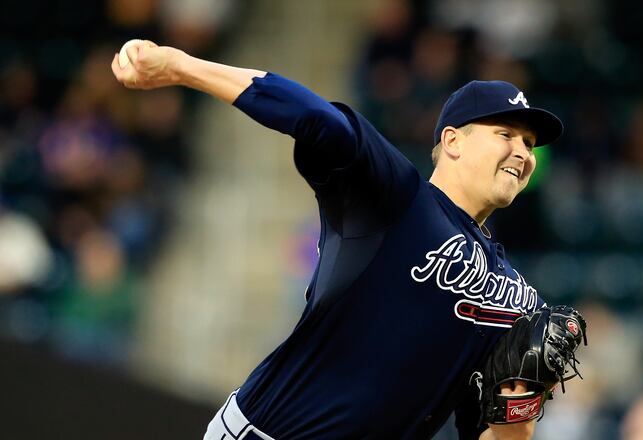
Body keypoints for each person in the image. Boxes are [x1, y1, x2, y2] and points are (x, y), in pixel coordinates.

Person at [111, 39, 564, 440]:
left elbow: (493, 433)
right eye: (506, 134)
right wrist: (179, 66)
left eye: (529, 143)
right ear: (452, 141)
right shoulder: (398, 199)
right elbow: (315, 117)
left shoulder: (521, 301)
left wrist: (520, 408)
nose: (523, 153)